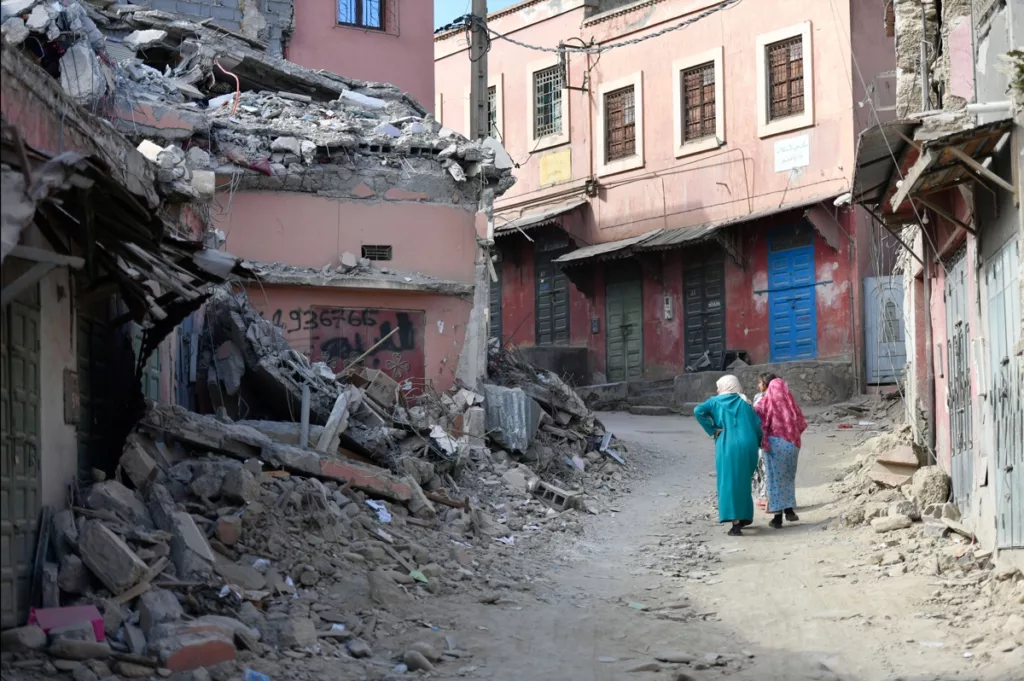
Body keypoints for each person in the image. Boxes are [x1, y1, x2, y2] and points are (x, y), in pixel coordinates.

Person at [694, 375, 763, 536]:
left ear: (725, 386)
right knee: (744, 481)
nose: (717, 390)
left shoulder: (714, 402)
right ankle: (745, 516)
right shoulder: (745, 403)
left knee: (729, 482)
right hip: (749, 445)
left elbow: (698, 411)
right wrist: (759, 443)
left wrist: (711, 429)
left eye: (719, 386)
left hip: (727, 445)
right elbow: (757, 426)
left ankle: (736, 524)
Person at [753, 373, 807, 529]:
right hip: (793, 444)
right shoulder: (791, 405)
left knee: (775, 480)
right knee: (788, 478)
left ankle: (777, 518)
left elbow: (754, 416)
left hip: (775, 444)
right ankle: (789, 510)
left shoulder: (764, 403)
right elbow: (801, 423)